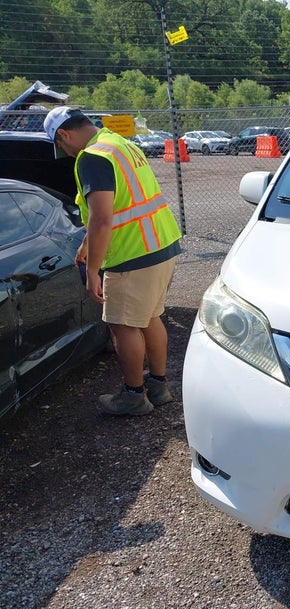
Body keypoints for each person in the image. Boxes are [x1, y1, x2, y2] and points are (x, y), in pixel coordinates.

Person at [44, 106, 182, 416]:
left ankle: (134, 396)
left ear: (64, 135)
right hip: (160, 244)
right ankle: (158, 387)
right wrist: (86, 241)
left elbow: (102, 216)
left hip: (130, 254)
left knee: (121, 326)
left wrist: (92, 269)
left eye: (61, 146)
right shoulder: (120, 144)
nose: (64, 152)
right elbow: (121, 204)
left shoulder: (92, 157)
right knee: (150, 317)